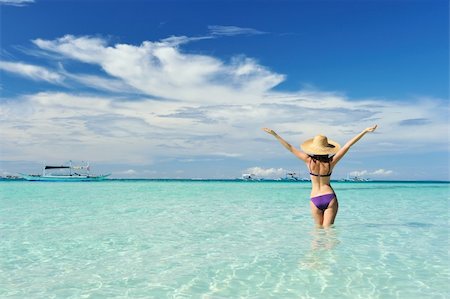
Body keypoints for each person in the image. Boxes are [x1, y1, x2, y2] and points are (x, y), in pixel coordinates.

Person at [262, 125, 377, 228]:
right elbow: (347, 146)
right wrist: (364, 131)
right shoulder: (330, 162)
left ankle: (314, 252)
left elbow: (290, 148)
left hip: (314, 198)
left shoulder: (309, 161)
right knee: (329, 233)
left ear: (313, 148)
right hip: (329, 196)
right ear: (327, 149)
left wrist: (275, 135)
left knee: (318, 232)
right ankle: (332, 252)